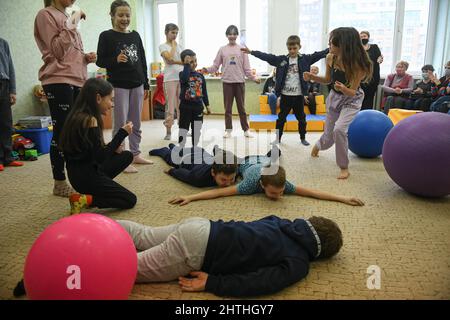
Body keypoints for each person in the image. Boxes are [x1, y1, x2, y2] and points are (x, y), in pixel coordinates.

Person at [115, 214, 343, 297]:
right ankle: (81, 264)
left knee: (143, 234)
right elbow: (261, 282)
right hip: (195, 250)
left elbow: (253, 232)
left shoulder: (280, 222)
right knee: (127, 269)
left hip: (201, 225)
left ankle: (93, 226)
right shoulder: (299, 262)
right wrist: (214, 283)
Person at [34, 0, 97, 197]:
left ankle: (80, 176)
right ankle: (59, 182)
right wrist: (73, 21)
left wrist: (85, 57)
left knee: (77, 130)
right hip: (58, 79)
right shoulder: (46, 15)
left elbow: (68, 51)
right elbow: (57, 51)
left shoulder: (68, 17)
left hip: (77, 79)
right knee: (62, 132)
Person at [169, 151, 364, 206]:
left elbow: (312, 193)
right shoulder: (249, 184)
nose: (279, 195)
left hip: (265, 161)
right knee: (227, 161)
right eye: (273, 193)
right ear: (262, 186)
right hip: (248, 161)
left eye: (280, 192)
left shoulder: (281, 184)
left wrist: (344, 198)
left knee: (272, 156)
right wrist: (191, 197)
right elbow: (218, 192)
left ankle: (274, 151)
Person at [59, 78, 137, 215]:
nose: (112, 104)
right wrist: (122, 134)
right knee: (130, 199)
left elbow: (90, 151)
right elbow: (100, 157)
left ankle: (93, 192)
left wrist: (112, 147)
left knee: (126, 156)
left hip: (79, 174)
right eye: (110, 99)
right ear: (98, 98)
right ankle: (87, 199)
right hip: (87, 177)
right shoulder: (90, 120)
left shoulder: (77, 116)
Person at [304, 27, 373, 180]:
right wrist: (312, 77)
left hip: (352, 100)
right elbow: (328, 80)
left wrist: (344, 88)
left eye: (331, 44)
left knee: (339, 130)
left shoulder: (358, 65)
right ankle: (319, 145)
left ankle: (344, 167)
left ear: (343, 45)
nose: (329, 46)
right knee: (329, 136)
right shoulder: (330, 58)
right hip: (335, 98)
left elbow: (353, 92)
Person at [96, 0, 153, 174]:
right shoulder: (106, 36)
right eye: (120, 15)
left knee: (135, 122)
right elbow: (100, 60)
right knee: (120, 123)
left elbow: (142, 60)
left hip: (137, 84)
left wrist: (146, 83)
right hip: (119, 85)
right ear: (112, 16)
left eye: (127, 15)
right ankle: (120, 158)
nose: (124, 18)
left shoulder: (135, 35)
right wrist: (115, 60)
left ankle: (135, 153)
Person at [242, 35, 329, 146]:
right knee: (281, 119)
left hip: (298, 96)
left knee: (302, 119)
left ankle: (303, 138)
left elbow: (320, 54)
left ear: (299, 47)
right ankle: (278, 139)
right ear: (287, 48)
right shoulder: (281, 60)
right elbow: (267, 56)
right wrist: (251, 52)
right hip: (285, 96)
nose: (292, 51)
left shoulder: (306, 59)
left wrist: (331, 49)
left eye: (294, 48)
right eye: (290, 48)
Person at [203, 25, 260, 139]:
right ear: (226, 35)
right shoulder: (222, 49)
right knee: (227, 108)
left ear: (237, 35)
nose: (232, 36)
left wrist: (254, 78)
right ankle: (228, 130)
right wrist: (206, 70)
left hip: (239, 82)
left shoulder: (242, 49)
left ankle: (246, 130)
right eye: (230, 34)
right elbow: (215, 66)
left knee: (241, 108)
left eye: (234, 34)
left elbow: (247, 68)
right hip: (227, 82)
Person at [150, 144, 238, 188]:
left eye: (232, 179)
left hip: (202, 152)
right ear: (213, 173)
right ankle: (165, 149)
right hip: (187, 156)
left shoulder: (233, 169)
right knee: (170, 157)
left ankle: (217, 150)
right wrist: (171, 171)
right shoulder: (199, 177)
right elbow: (184, 174)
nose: (228, 184)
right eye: (223, 180)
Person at [178, 49, 211, 148]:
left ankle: (195, 147)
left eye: (195, 61)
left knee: (197, 128)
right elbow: (184, 80)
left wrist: (207, 105)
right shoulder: (182, 74)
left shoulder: (200, 76)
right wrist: (186, 65)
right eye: (191, 62)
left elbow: (204, 92)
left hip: (198, 107)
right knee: (183, 128)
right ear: (185, 63)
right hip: (185, 107)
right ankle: (181, 147)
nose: (194, 64)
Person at [0, 37, 23, 172]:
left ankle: (8, 157)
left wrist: (12, 90)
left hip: (4, 84)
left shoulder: (3, 43)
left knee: (6, 123)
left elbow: (10, 66)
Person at [159, 23, 183, 140]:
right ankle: (168, 131)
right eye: (172, 32)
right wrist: (173, 46)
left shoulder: (180, 46)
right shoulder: (163, 46)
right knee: (170, 106)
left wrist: (177, 62)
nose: (175, 35)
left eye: (176, 33)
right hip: (170, 79)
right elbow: (169, 60)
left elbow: (185, 61)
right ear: (166, 33)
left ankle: (182, 129)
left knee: (181, 106)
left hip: (181, 78)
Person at [359, 31, 383, 110]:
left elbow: (380, 56)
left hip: (373, 76)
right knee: (360, 96)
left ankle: (367, 114)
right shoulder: (357, 48)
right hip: (361, 77)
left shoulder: (374, 47)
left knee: (370, 96)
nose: (363, 38)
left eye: (364, 36)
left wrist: (380, 59)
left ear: (368, 37)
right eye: (361, 36)